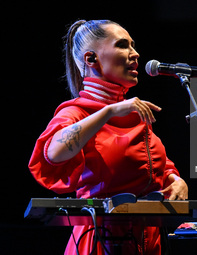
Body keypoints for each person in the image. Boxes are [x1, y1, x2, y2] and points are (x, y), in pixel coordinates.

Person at [28, 19, 188, 255]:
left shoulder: (134, 111)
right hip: (102, 241)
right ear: (91, 59)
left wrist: (175, 179)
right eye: (123, 45)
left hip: (148, 240)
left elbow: (154, 167)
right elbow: (52, 153)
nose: (135, 54)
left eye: (133, 45)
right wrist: (109, 111)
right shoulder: (76, 112)